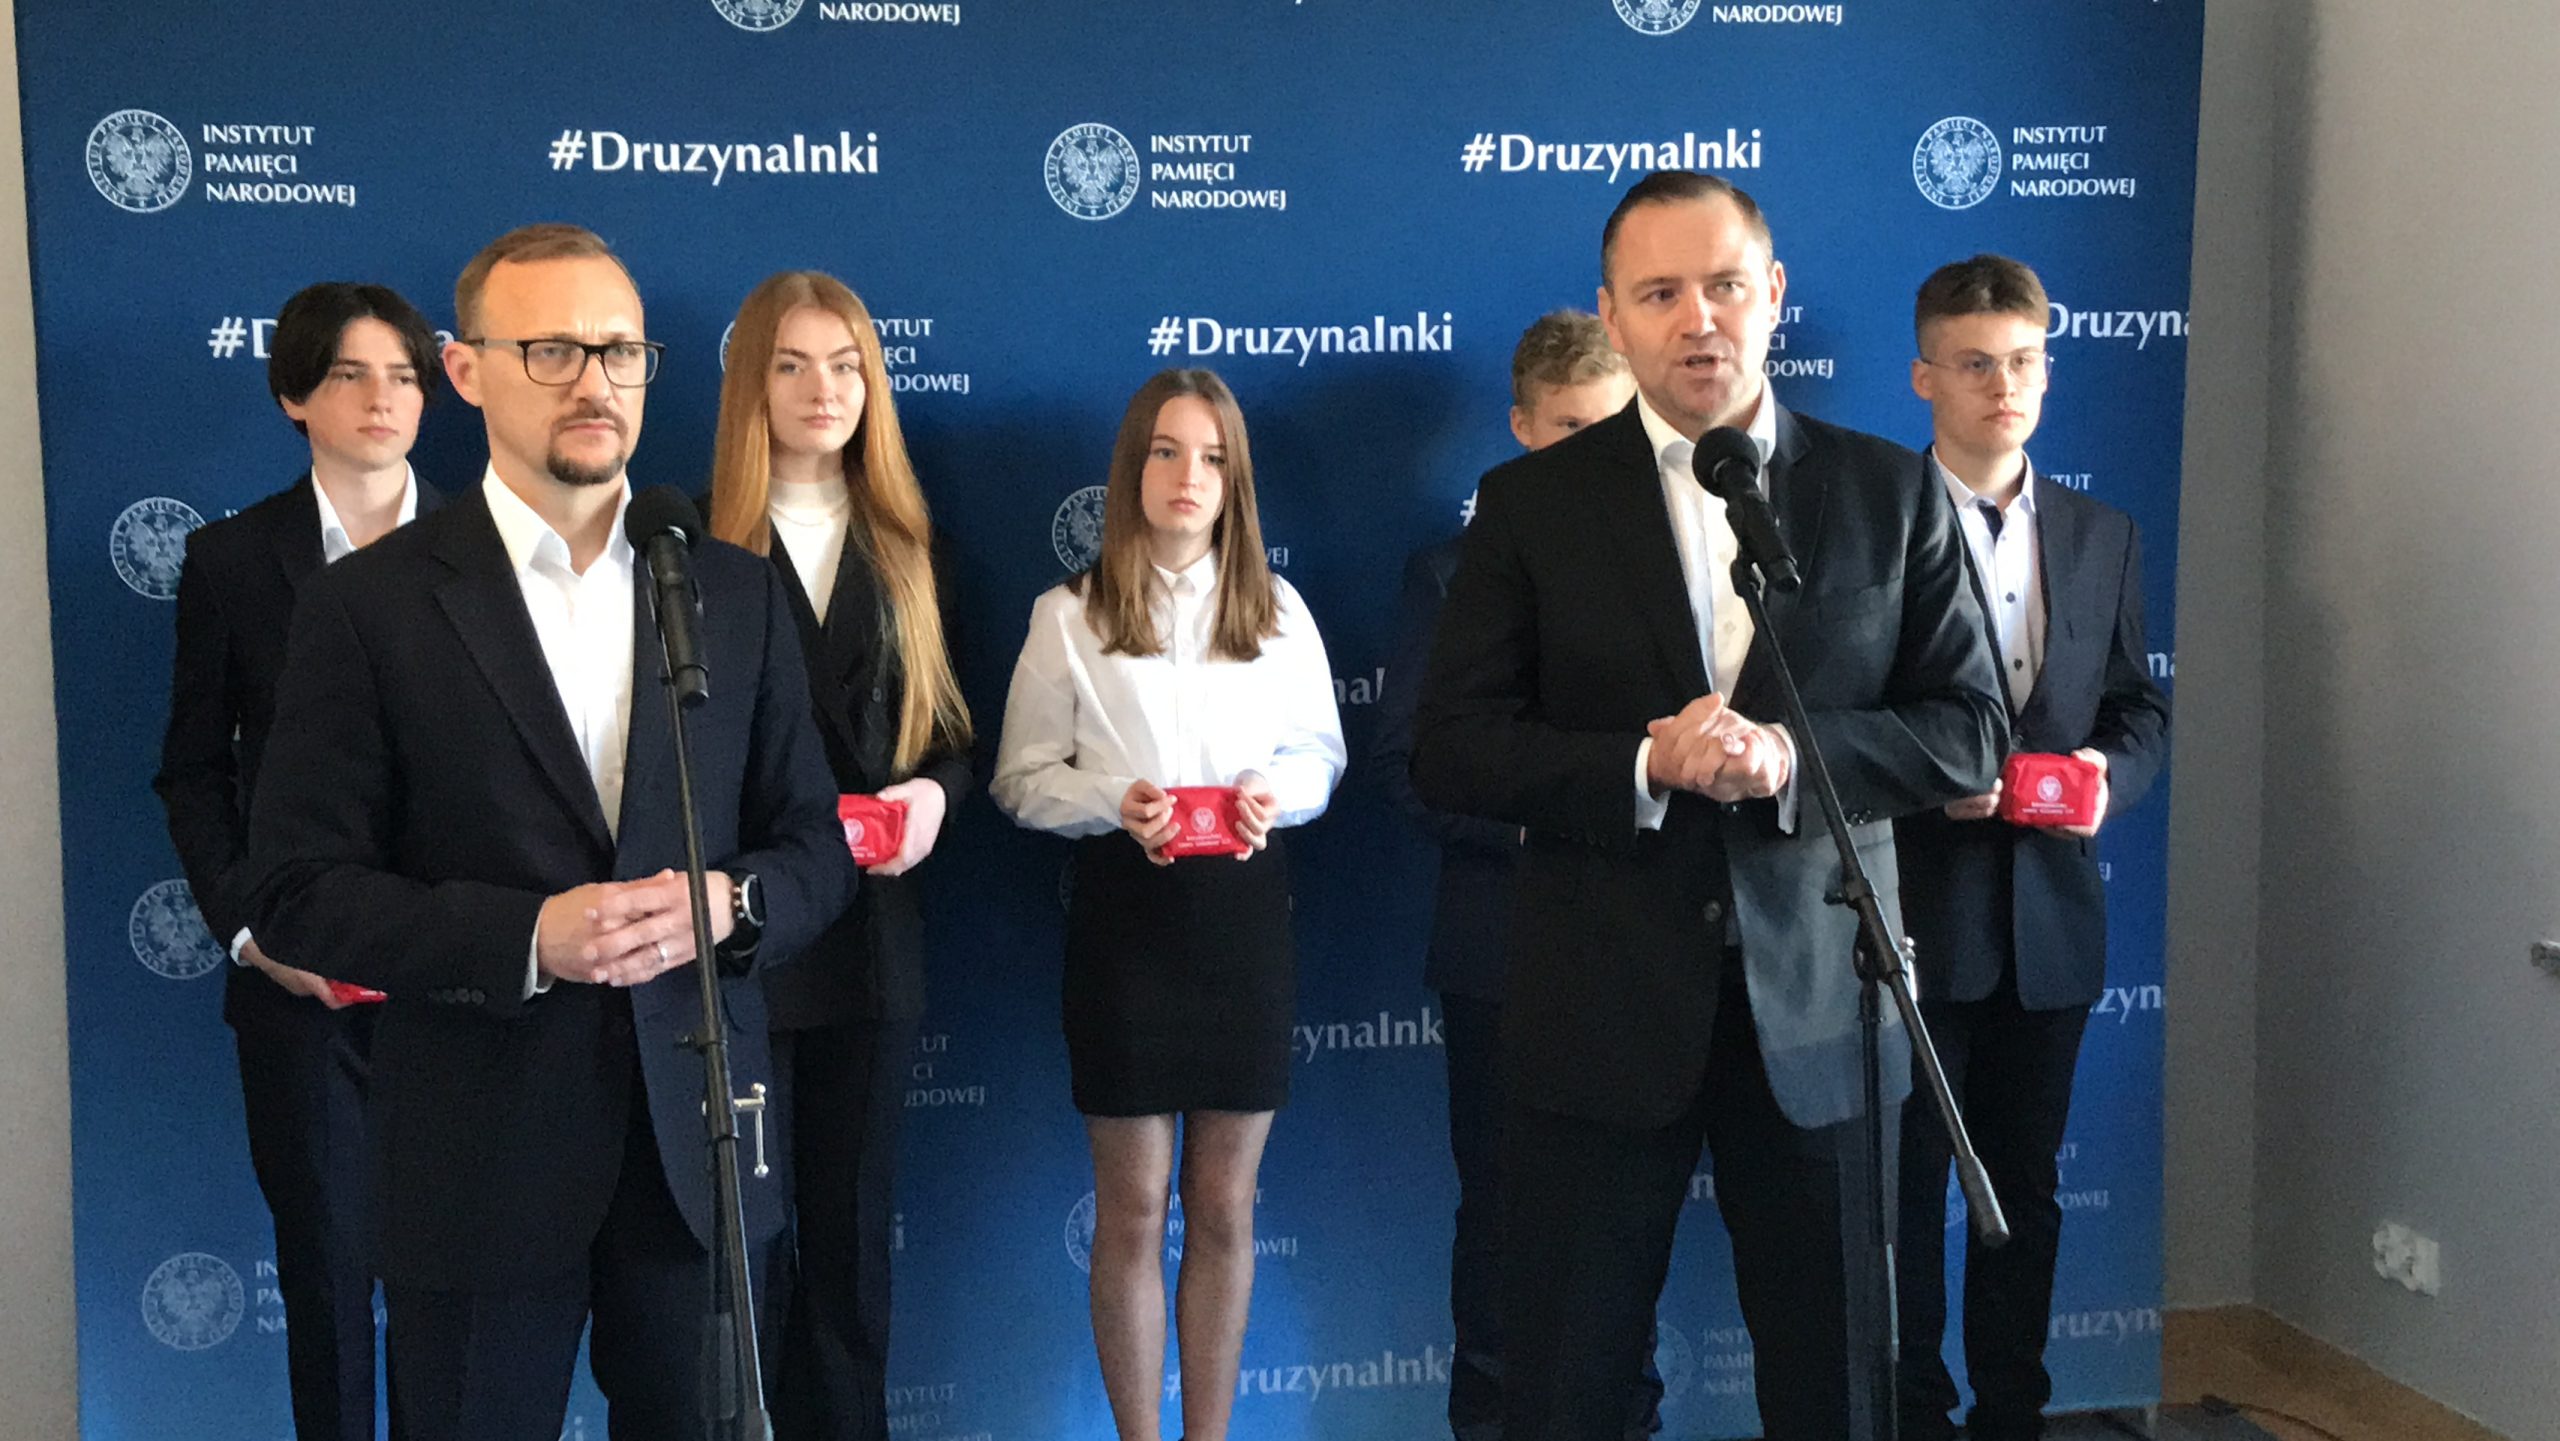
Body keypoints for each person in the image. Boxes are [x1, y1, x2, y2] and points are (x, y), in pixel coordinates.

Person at [1410, 170, 2007, 1441]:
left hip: (1824, 1011)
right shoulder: (1531, 505)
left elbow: (1969, 729)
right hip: (1599, 1009)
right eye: (1660, 293)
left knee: (1840, 1391)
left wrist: (1790, 755)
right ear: (1612, 316)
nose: (1698, 320)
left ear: (1773, 294)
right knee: (1568, 1390)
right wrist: (1645, 766)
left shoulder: (1887, 492)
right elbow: (1453, 749)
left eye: (1725, 286)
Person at [244, 223, 854, 1441]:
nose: (595, 383)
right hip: (476, 1158)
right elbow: (299, 889)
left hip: (698, 1153)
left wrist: (728, 905)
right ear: (465, 371)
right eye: (553, 350)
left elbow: (814, 845)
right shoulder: (369, 604)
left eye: (621, 352)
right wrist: (529, 936)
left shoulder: (730, 591)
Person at [990, 368, 1346, 1441]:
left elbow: (1322, 756)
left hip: (1244, 921)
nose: (1189, 475)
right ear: (1132, 467)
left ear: (1235, 480)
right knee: (1136, 1208)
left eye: (1212, 457)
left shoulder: (1278, 610)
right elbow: (1018, 779)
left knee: (1226, 1206)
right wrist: (1113, 799)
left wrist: (1272, 792)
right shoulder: (1069, 614)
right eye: (1166, 451)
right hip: (1125, 925)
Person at [154, 279, 442, 1441]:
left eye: (405, 375)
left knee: (458, 1296)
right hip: (301, 989)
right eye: (350, 374)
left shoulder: (496, 547)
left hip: (461, 984)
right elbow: (193, 772)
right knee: (325, 1282)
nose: (383, 398)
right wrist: (253, 933)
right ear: (293, 396)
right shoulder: (231, 560)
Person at [1893, 254, 2171, 1441]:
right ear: (1925, 378)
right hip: (1911, 921)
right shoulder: (1871, 524)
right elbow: (1840, 717)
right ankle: (1911, 1414)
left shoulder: (2103, 533)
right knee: (1906, 1193)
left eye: (2021, 362)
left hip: (2051, 921)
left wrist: (2109, 775)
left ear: (2047, 371)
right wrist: (1927, 779)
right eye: (1973, 364)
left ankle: (2012, 1413)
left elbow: (2138, 707)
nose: (2002, 386)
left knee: (2030, 1191)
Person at [1371, 310, 1658, 1441]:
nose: (1593, 451)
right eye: (1571, 428)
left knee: (1627, 1215)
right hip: (1502, 947)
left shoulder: (1665, 570)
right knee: (1500, 1212)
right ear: (1522, 429)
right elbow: (1409, 767)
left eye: (1612, 427)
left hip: (1641, 945)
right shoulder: (1447, 575)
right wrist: (1555, 829)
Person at [706, 270, 973, 1441]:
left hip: (871, 945)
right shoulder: (694, 552)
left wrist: (934, 797)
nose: (823, 389)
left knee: (852, 1242)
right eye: (792, 364)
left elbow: (955, 737)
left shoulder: (912, 548)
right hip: (744, 947)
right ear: (751, 386)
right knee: (746, 1249)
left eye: (846, 365)